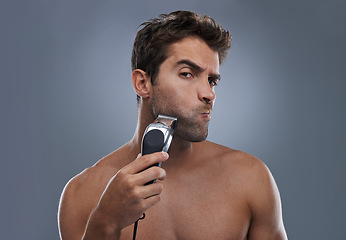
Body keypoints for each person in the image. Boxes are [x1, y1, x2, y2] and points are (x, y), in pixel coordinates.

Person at [58, 10, 288, 240]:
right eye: (187, 74)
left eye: (212, 80)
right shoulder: (82, 194)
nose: (209, 94)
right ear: (142, 83)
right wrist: (105, 221)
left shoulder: (249, 178)